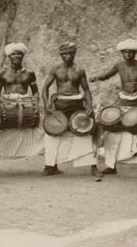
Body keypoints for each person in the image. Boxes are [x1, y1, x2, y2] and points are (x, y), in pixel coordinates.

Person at [89, 38, 137, 174]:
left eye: (130, 52)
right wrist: (97, 77)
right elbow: (106, 75)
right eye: (125, 52)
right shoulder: (119, 65)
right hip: (122, 101)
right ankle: (111, 166)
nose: (128, 54)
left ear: (135, 53)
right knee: (110, 129)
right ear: (122, 53)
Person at [42, 42, 102, 178]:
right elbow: (45, 87)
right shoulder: (55, 69)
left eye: (70, 53)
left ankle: (93, 167)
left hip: (77, 105)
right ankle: (50, 166)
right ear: (60, 55)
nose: (67, 56)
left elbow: (86, 89)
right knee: (52, 133)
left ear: (74, 54)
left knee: (87, 131)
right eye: (64, 54)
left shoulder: (80, 70)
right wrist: (46, 105)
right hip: (60, 106)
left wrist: (89, 106)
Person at [0, 43, 44, 171]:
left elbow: (35, 91)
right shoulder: (2, 73)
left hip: (26, 105)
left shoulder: (30, 73)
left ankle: (50, 165)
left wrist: (36, 98)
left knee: (46, 129)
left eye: (19, 54)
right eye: (13, 54)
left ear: (22, 56)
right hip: (8, 107)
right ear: (9, 56)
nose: (16, 56)